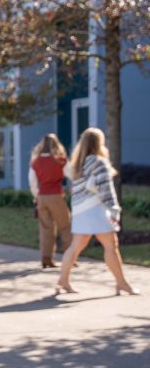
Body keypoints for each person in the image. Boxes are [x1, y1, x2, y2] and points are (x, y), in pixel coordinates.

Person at [57, 127, 139, 296]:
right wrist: (114, 210)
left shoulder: (78, 163)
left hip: (81, 211)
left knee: (75, 247)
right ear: (99, 143)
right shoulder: (98, 162)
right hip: (96, 210)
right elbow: (106, 190)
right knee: (111, 246)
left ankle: (63, 280)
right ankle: (121, 283)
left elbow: (74, 190)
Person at [28, 134, 72, 269]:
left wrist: (36, 195)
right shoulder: (60, 160)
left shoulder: (35, 162)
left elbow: (32, 182)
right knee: (65, 226)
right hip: (56, 195)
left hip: (42, 197)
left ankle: (46, 258)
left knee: (45, 229)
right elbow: (72, 174)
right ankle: (70, 257)